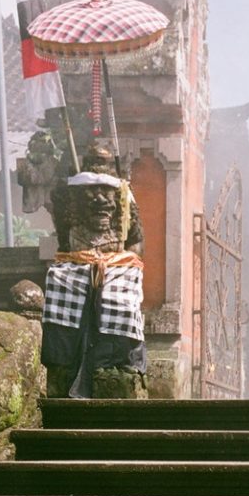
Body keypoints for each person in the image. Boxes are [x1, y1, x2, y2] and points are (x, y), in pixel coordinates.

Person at [41, 145, 147, 398]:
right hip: (77, 263)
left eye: (106, 192)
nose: (100, 199)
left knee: (119, 301)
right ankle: (63, 367)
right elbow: (65, 244)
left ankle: (113, 365)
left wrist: (119, 260)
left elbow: (136, 243)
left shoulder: (125, 200)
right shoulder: (70, 202)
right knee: (60, 286)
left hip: (117, 265)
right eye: (93, 191)